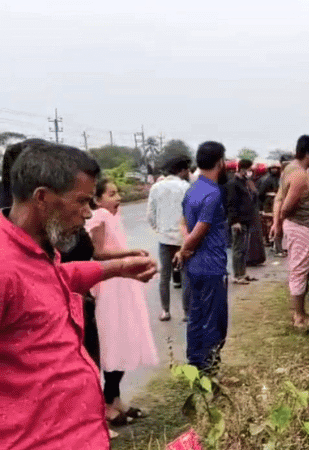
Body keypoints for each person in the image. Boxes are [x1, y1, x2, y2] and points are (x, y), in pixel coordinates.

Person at [0, 140, 157, 450]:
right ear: (42, 198)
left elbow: (55, 278)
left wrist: (117, 268)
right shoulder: (4, 265)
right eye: (82, 202)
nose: (88, 214)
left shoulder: (37, 246)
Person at [86, 178, 160, 425]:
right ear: (97, 199)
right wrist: (129, 253)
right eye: (111, 194)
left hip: (121, 283)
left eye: (118, 193)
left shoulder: (113, 216)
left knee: (124, 338)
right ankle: (108, 402)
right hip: (109, 285)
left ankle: (116, 400)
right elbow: (97, 252)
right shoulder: (98, 217)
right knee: (113, 341)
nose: (117, 198)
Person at [174, 141, 230, 372]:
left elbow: (184, 224)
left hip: (194, 265)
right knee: (214, 319)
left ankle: (194, 362)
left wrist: (185, 249)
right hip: (211, 265)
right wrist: (186, 247)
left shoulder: (192, 190)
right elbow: (201, 229)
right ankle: (208, 366)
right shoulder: (213, 193)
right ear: (220, 162)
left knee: (196, 314)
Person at [270, 135, 309, 328]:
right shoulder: (300, 175)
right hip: (301, 227)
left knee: (302, 270)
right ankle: (299, 316)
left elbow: (278, 199)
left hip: (298, 226)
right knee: (300, 271)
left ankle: (301, 313)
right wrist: (279, 222)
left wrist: (277, 223)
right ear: (308, 153)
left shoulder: (290, 169)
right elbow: (286, 206)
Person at [147, 155, 192, 321]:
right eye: (187, 169)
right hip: (183, 237)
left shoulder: (156, 187)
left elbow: (150, 214)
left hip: (165, 238)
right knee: (187, 275)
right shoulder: (186, 187)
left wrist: (159, 228)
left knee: (164, 277)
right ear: (182, 170)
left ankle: (165, 311)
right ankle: (187, 312)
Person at [225, 159, 258, 285]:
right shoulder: (233, 184)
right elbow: (231, 204)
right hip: (239, 221)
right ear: (243, 169)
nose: (250, 172)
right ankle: (237, 275)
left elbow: (253, 196)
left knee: (244, 249)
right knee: (238, 249)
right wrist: (235, 221)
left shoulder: (245, 183)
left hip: (247, 219)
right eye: (249, 169)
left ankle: (243, 273)